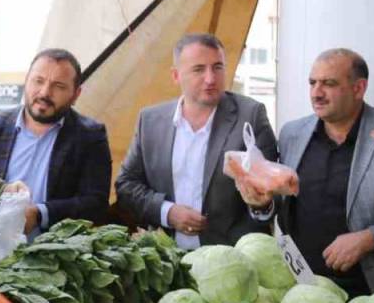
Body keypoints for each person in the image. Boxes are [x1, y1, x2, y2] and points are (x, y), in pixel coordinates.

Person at [240, 49, 374, 295]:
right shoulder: (292, 134)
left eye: (329, 83)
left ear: (359, 88)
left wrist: (369, 239)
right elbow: (283, 207)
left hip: (373, 292)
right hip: (302, 290)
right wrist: (263, 205)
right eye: (312, 83)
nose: (317, 93)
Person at [115, 33, 276, 248]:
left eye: (217, 67)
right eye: (199, 69)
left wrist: (261, 205)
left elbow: (273, 192)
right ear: (176, 75)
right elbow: (126, 185)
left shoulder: (250, 116)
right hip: (167, 257)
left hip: (231, 256)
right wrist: (167, 212)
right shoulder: (150, 121)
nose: (210, 78)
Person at [0, 48, 112, 236]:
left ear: (76, 94)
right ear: (26, 81)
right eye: (38, 81)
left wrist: (40, 214)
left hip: (54, 250)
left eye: (58, 86)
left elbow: (95, 204)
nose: (45, 92)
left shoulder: (89, 136)